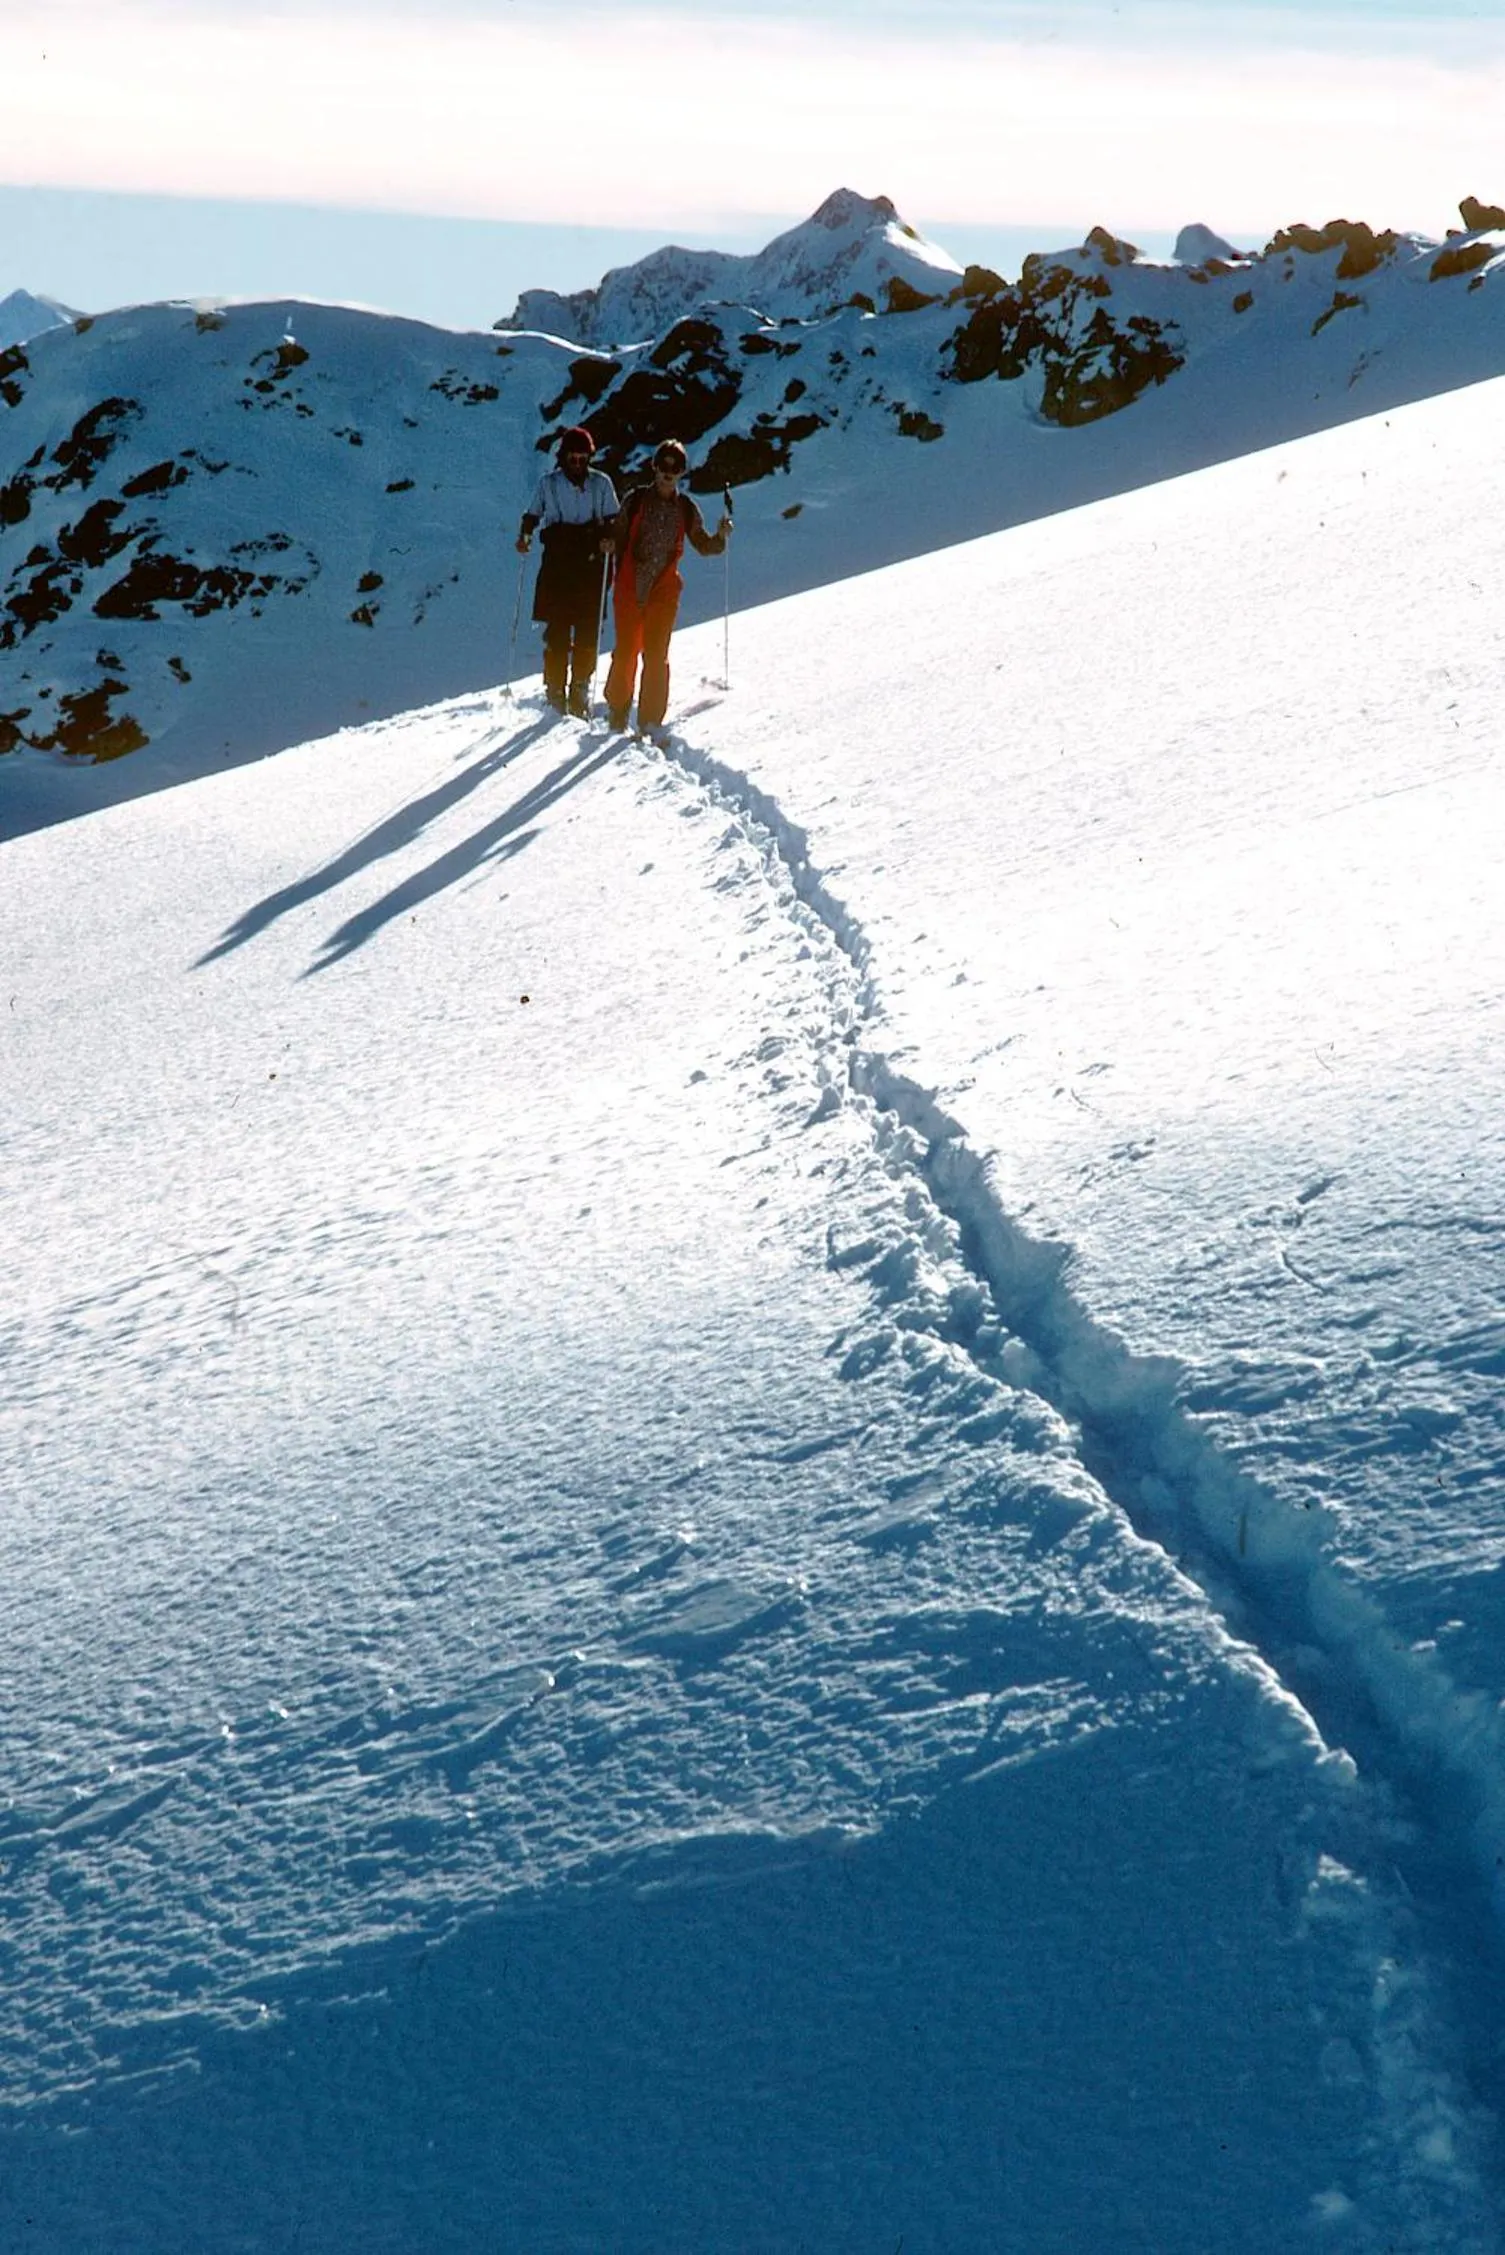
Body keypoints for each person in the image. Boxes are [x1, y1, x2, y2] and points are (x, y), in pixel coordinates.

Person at [603, 440, 731, 737]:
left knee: (656, 655)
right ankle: (618, 710)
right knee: (626, 652)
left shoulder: (685, 508)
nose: (668, 473)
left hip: (664, 589)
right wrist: (609, 541)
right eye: (664, 466)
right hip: (629, 585)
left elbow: (703, 544)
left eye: (675, 468)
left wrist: (721, 537)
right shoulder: (635, 501)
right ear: (655, 468)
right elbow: (618, 533)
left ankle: (649, 721)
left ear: (682, 473)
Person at [516, 427, 618, 716]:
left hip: (590, 564)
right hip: (558, 564)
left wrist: (611, 538)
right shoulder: (548, 484)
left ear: (588, 457)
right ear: (563, 457)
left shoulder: (601, 483)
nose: (577, 461)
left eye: (582, 457)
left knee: (587, 631)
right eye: (572, 457)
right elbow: (532, 515)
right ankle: (555, 690)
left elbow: (613, 518)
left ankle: (580, 688)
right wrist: (524, 536)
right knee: (557, 630)